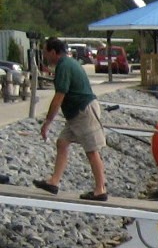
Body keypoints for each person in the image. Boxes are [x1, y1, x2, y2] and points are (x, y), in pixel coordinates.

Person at [33, 37, 108, 201]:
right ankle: (53, 182)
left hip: (84, 111)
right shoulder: (66, 63)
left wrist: (47, 122)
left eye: (46, 52)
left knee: (91, 150)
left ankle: (100, 190)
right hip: (75, 114)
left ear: (54, 52)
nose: (45, 55)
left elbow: (59, 96)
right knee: (62, 142)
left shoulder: (65, 66)